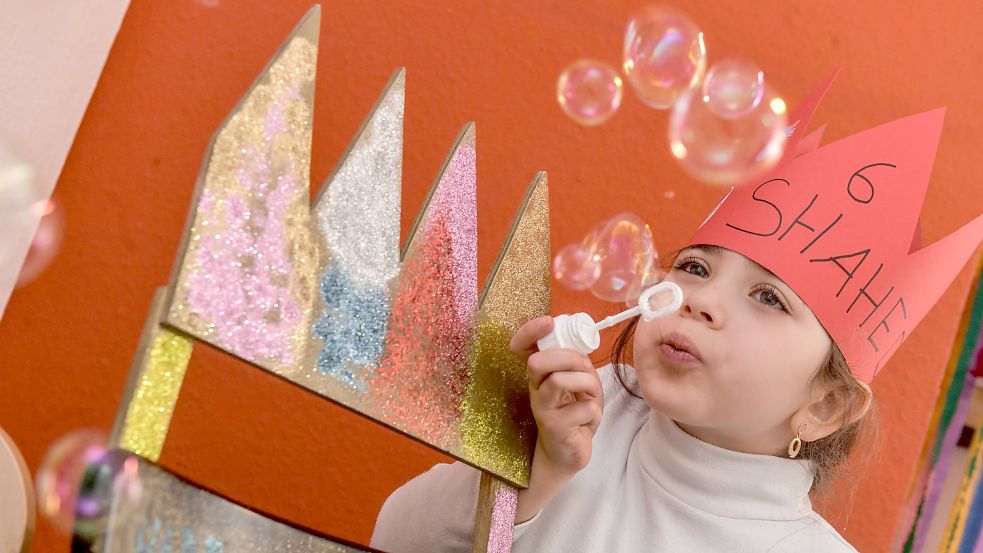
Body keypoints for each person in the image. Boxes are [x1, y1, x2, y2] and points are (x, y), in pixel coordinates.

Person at [369, 78, 983, 552]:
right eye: (695, 267)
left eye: (769, 297)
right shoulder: (586, 419)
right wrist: (531, 472)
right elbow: (395, 536)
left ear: (825, 406)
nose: (699, 300)